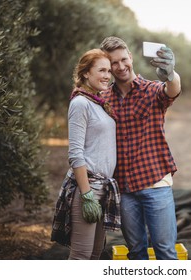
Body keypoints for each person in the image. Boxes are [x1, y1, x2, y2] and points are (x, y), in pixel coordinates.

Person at [100, 36, 181, 260]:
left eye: (123, 59)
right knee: (136, 253)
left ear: (131, 58)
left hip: (156, 184)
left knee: (165, 251)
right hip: (124, 189)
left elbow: (172, 90)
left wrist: (172, 75)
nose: (120, 66)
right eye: (113, 63)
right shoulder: (103, 98)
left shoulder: (152, 90)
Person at [51, 49, 121, 260]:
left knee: (95, 254)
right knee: (81, 257)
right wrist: (87, 194)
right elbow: (75, 154)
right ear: (85, 73)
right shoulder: (80, 104)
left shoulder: (98, 103)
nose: (107, 76)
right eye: (101, 70)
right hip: (88, 190)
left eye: (109, 71)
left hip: (104, 188)